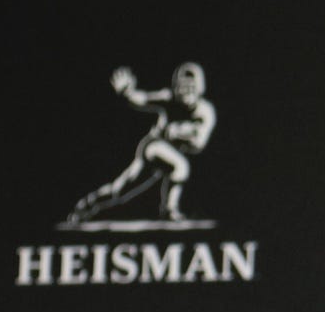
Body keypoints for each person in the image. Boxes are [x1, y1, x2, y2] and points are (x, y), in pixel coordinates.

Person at [65, 64, 216, 226]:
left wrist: (180, 133)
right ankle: (168, 209)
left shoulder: (205, 112)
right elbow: (143, 98)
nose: (185, 91)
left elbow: (199, 144)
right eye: (182, 86)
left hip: (169, 154)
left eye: (190, 87)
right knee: (179, 167)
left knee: (120, 191)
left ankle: (88, 204)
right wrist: (127, 92)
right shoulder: (169, 98)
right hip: (153, 147)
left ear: (200, 88)